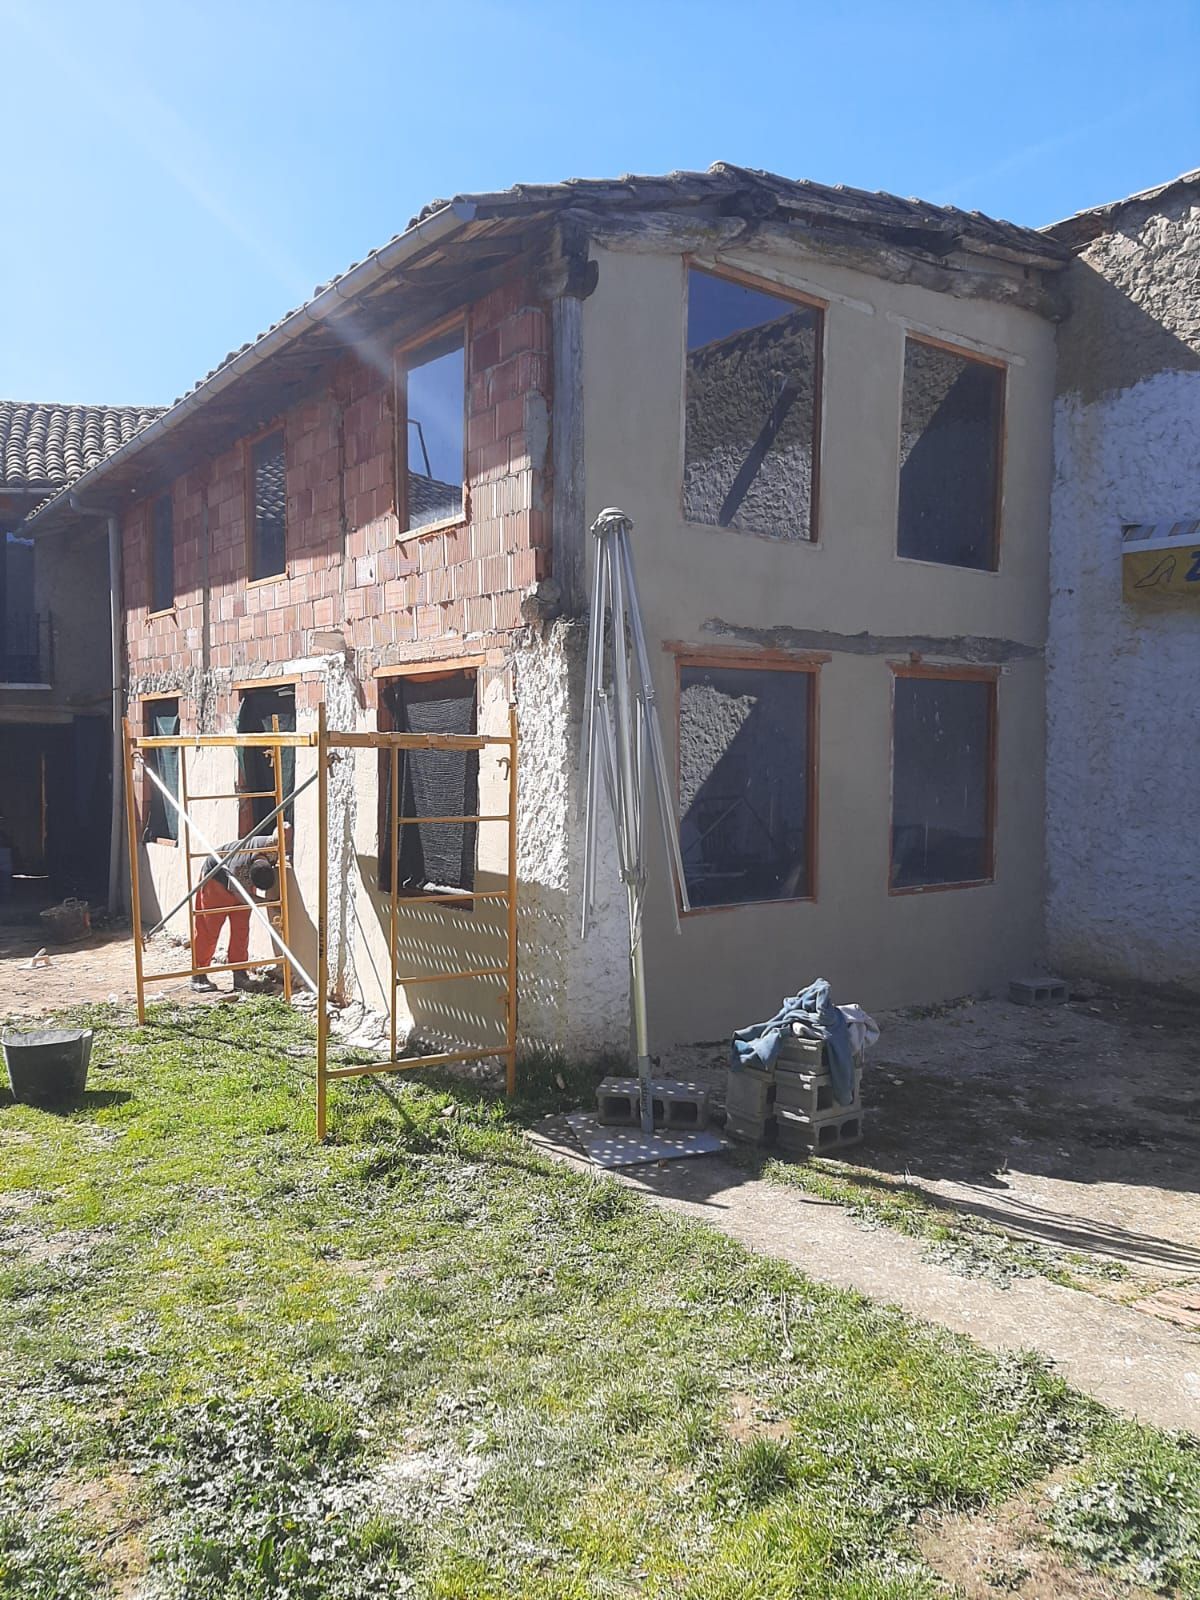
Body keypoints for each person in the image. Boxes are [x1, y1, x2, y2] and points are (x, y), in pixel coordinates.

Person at [190, 837, 279, 993]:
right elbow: (240, 895)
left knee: (241, 930)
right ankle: (199, 975)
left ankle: (239, 975)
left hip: (242, 884)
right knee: (209, 930)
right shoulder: (239, 866)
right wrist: (266, 901)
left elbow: (283, 830)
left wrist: (267, 900)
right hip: (217, 881)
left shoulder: (271, 850)